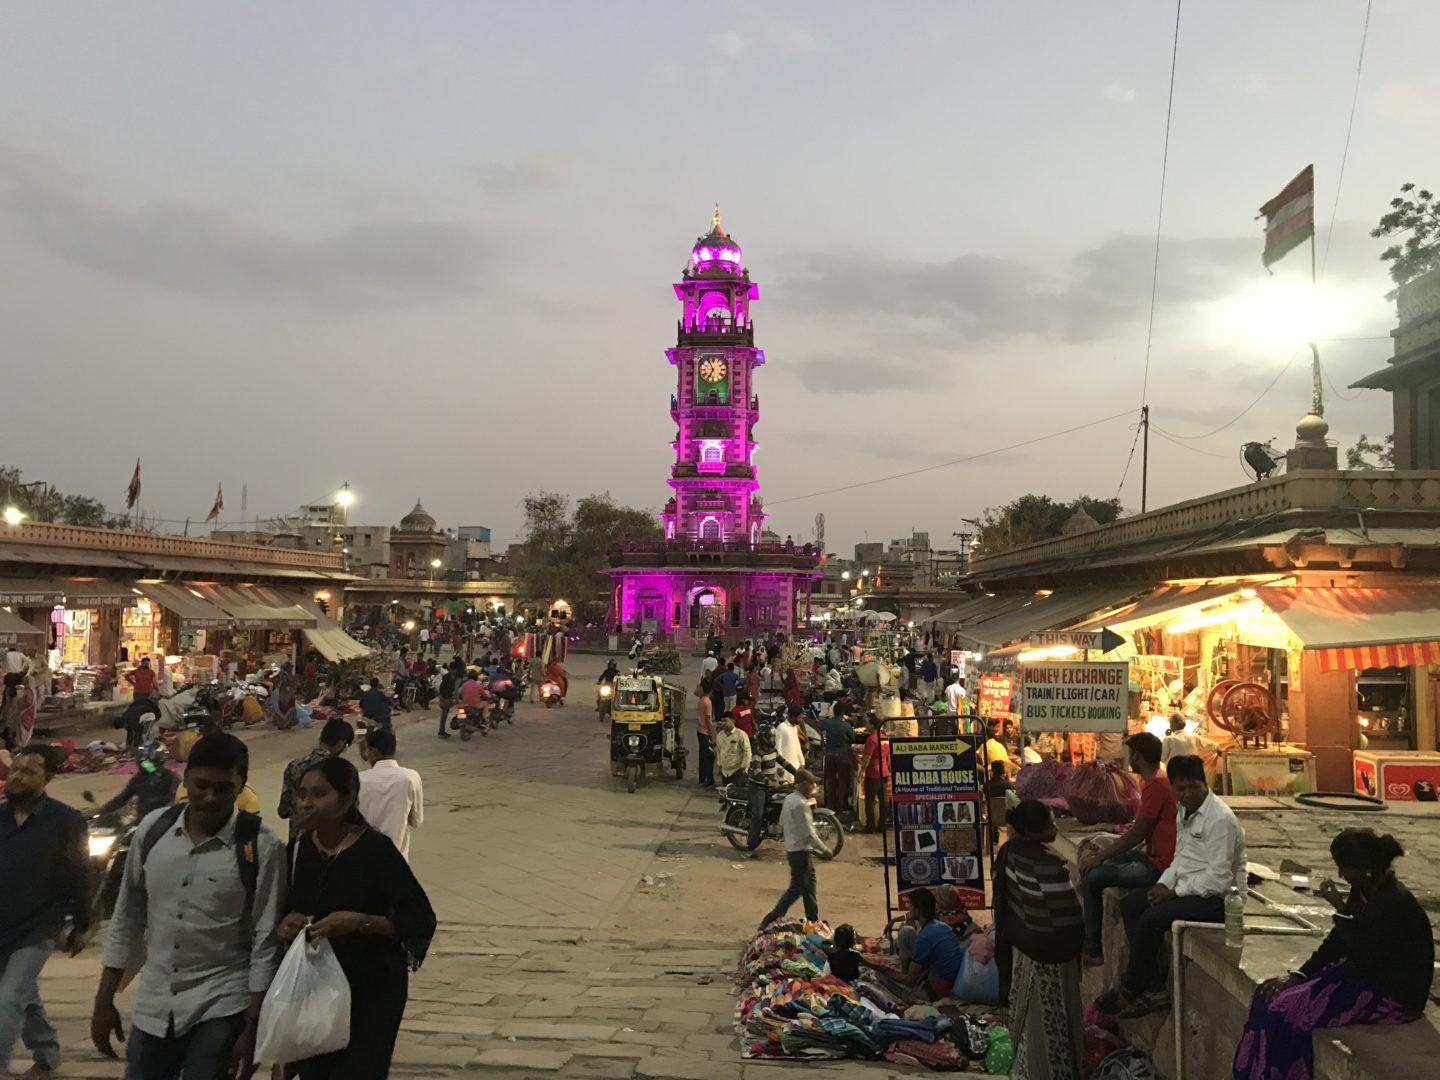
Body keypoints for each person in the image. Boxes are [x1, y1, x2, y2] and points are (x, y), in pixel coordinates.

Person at [93, 732, 286, 1079]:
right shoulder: (154, 831)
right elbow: (128, 916)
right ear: (185, 777)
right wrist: (104, 999)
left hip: (222, 1003)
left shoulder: (262, 846)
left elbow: (264, 941)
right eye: (201, 784)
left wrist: (253, 1027)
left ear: (241, 785)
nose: (210, 797)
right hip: (154, 1004)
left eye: (224, 788)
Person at [280, 756, 436, 1080]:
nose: (306, 803)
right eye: (302, 794)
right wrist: (287, 923)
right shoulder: (298, 849)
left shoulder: (375, 851)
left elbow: (419, 917)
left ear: (347, 798)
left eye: (319, 794)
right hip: (316, 990)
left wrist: (360, 922)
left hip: (371, 992)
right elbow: (281, 909)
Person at [1232, 829, 1433, 1080]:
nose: (1340, 875)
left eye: (1344, 868)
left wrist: (1339, 908)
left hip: (1390, 990)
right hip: (1362, 973)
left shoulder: (1395, 902)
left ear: (1365, 869)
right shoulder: (1364, 891)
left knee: (1285, 1010)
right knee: (1265, 996)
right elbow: (1337, 943)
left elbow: (1365, 954)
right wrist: (1298, 975)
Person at [1098, 754, 1245, 1019]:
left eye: (1193, 787)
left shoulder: (1220, 819)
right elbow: (1182, 856)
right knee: (1131, 904)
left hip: (1217, 897)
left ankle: (1130, 988)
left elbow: (1218, 879)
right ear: (1174, 788)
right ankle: (1152, 986)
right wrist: (1165, 883)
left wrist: (1175, 892)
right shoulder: (1183, 811)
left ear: (1204, 783)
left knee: (1153, 917)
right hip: (1187, 885)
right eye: (1181, 788)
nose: (1187, 794)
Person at [1, 744, 91, 1076]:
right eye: (14, 770)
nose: (17, 777)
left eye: (28, 772)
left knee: (8, 998)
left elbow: (80, 873)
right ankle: (47, 1053)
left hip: (40, 925)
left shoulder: (65, 821)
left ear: (48, 777)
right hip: (3, 922)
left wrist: (82, 924)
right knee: (24, 994)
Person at [993, 800, 1085, 1080]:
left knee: (1028, 1027)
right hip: (1052, 960)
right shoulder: (1047, 866)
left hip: (1023, 952)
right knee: (1056, 1024)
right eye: (1048, 824)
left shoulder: (1009, 853)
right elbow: (1068, 915)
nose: (1055, 827)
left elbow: (1005, 902)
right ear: (1032, 832)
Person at [1077, 732, 1177, 965]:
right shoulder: (1156, 780)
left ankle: (1092, 949)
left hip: (1157, 865)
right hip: (1149, 854)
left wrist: (1100, 857)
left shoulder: (1156, 784)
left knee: (1093, 875)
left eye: (1130, 753)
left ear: (1137, 756)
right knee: (1093, 862)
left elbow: (1138, 833)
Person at [758, 769, 833, 927]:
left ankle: (812, 921)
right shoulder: (800, 804)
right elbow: (809, 833)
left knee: (809, 889)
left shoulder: (789, 799)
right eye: (811, 784)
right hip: (800, 852)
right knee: (796, 889)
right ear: (803, 786)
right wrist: (824, 850)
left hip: (794, 849)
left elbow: (782, 824)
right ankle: (769, 921)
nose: (814, 787)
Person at [278, 718, 355, 837]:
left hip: (297, 838)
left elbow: (283, 811)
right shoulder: (340, 771)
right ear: (341, 743)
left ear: (321, 738)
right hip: (329, 839)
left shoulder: (294, 766)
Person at [358, 728, 424, 861]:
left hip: (364, 853)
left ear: (373, 751)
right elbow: (416, 820)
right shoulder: (410, 777)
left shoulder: (359, 779)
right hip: (397, 855)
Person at [893, 887, 965, 999]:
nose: (909, 910)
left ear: (918, 910)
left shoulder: (925, 936)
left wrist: (874, 966)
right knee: (907, 931)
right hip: (952, 980)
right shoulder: (942, 926)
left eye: (910, 906)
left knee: (883, 976)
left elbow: (910, 981)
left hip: (936, 989)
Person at [96, 742, 180, 820]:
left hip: (165, 819)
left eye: (146, 762)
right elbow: (121, 799)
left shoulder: (170, 777)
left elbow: (175, 799)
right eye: (141, 761)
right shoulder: (138, 779)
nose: (143, 765)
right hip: (142, 820)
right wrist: (102, 812)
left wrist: (154, 804)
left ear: (158, 760)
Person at [818, 706, 861, 815]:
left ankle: (830, 806)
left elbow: (822, 732)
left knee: (830, 781)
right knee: (843, 781)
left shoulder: (826, 723)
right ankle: (843, 806)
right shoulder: (846, 725)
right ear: (843, 713)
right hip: (842, 755)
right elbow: (853, 738)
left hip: (828, 755)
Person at [119, 657, 159, 753]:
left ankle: (138, 742)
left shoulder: (151, 672)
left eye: (147, 663)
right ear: (142, 663)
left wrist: (156, 690)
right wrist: (133, 683)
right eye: (145, 663)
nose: (146, 664)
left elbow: (154, 683)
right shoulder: (137, 671)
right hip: (139, 693)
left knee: (142, 711)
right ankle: (139, 742)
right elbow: (126, 675)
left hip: (146, 694)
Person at [859, 714, 891, 832]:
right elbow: (887, 757)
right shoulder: (884, 738)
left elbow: (867, 757)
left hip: (873, 773)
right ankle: (882, 825)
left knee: (870, 800)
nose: (865, 725)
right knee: (883, 800)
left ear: (872, 725)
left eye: (867, 723)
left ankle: (870, 826)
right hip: (884, 772)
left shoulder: (872, 739)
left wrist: (861, 772)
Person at [713, 710, 752, 787]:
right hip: (725, 772)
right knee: (726, 796)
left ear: (733, 721)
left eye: (726, 721)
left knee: (735, 795)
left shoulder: (741, 735)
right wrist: (719, 766)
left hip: (737, 771)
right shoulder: (720, 735)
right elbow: (719, 751)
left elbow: (747, 752)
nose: (723, 723)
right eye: (722, 721)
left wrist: (744, 767)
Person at [775, 705, 807, 775]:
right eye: (800, 717)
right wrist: (779, 767)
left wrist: (802, 762)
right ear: (793, 717)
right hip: (785, 769)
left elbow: (797, 746)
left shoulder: (795, 728)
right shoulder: (781, 728)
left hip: (796, 767)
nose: (801, 720)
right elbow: (777, 749)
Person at [695, 688, 715, 788]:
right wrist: (712, 733)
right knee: (709, 757)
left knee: (702, 756)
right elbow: (708, 719)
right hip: (705, 732)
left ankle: (702, 778)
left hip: (700, 730)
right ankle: (709, 778)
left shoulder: (701, 700)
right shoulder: (708, 702)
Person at [437, 661, 458, 738]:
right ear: (452, 669)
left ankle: (442, 730)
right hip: (445, 698)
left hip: (448, 698)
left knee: (444, 715)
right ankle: (441, 731)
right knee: (444, 716)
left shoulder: (452, 677)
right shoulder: (447, 677)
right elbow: (442, 689)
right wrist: (441, 700)